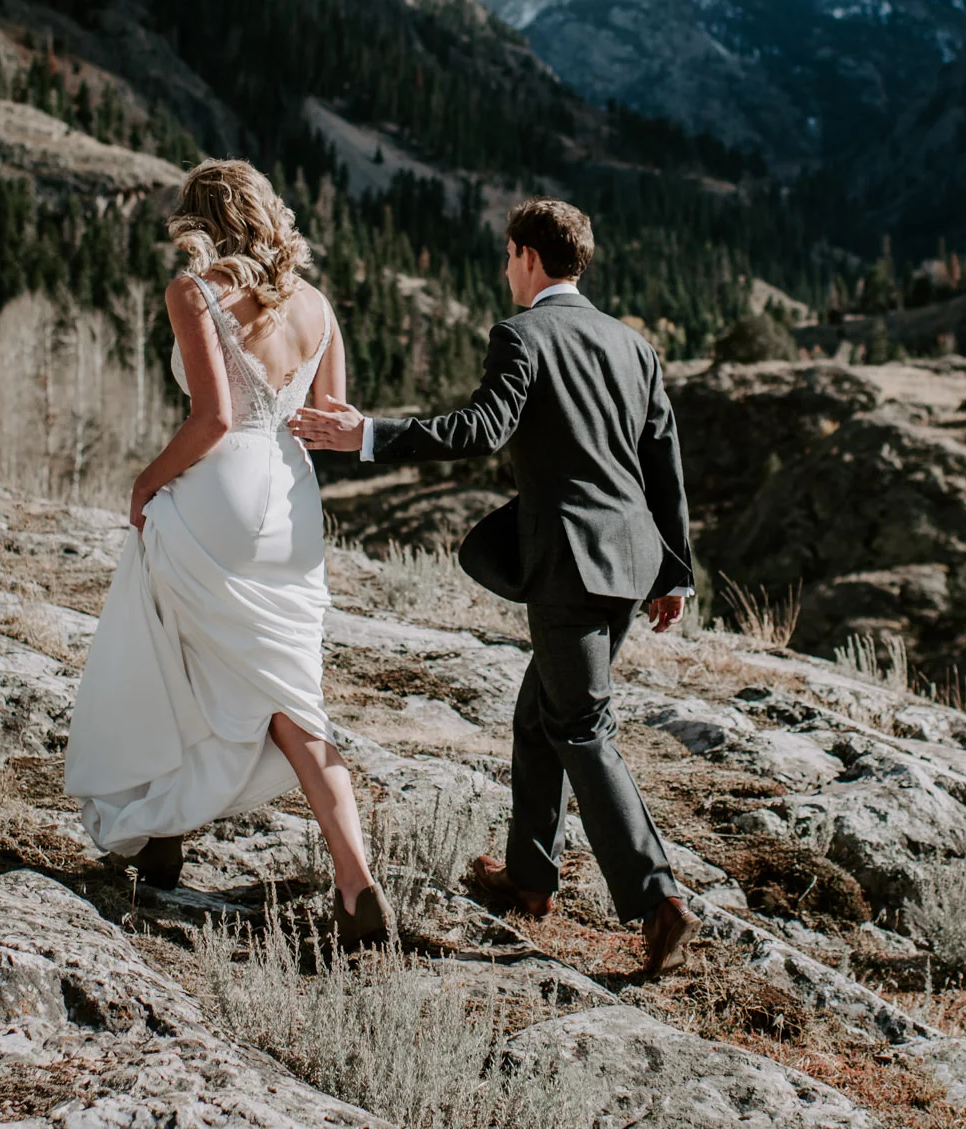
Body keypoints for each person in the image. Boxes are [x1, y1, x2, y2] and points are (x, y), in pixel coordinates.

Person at [290, 198, 700, 973]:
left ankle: (657, 900)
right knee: (539, 715)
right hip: (629, 562)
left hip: (570, 565)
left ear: (530, 258)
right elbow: (664, 465)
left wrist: (366, 433)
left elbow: (482, 427)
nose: (506, 269)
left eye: (509, 255)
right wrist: (676, 570)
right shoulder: (632, 345)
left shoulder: (522, 335)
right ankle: (530, 876)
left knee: (580, 723)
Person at [63, 160, 388, 946]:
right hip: (292, 504)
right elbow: (329, 416)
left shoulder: (194, 292)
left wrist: (146, 483)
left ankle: (156, 822)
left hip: (223, 493)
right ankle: (355, 880)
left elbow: (210, 419)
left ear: (202, 220)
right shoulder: (316, 304)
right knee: (289, 697)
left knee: (156, 621)